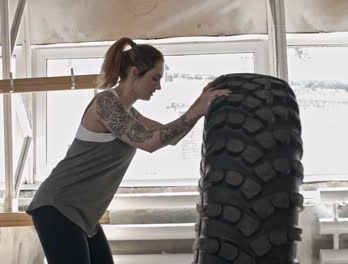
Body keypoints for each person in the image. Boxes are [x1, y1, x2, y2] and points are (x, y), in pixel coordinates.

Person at [26, 37, 231, 264]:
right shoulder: (106, 103)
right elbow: (150, 143)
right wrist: (197, 110)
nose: (159, 86)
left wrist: (200, 106)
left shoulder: (130, 114)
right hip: (58, 206)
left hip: (84, 216)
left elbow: (169, 136)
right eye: (155, 78)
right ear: (134, 73)